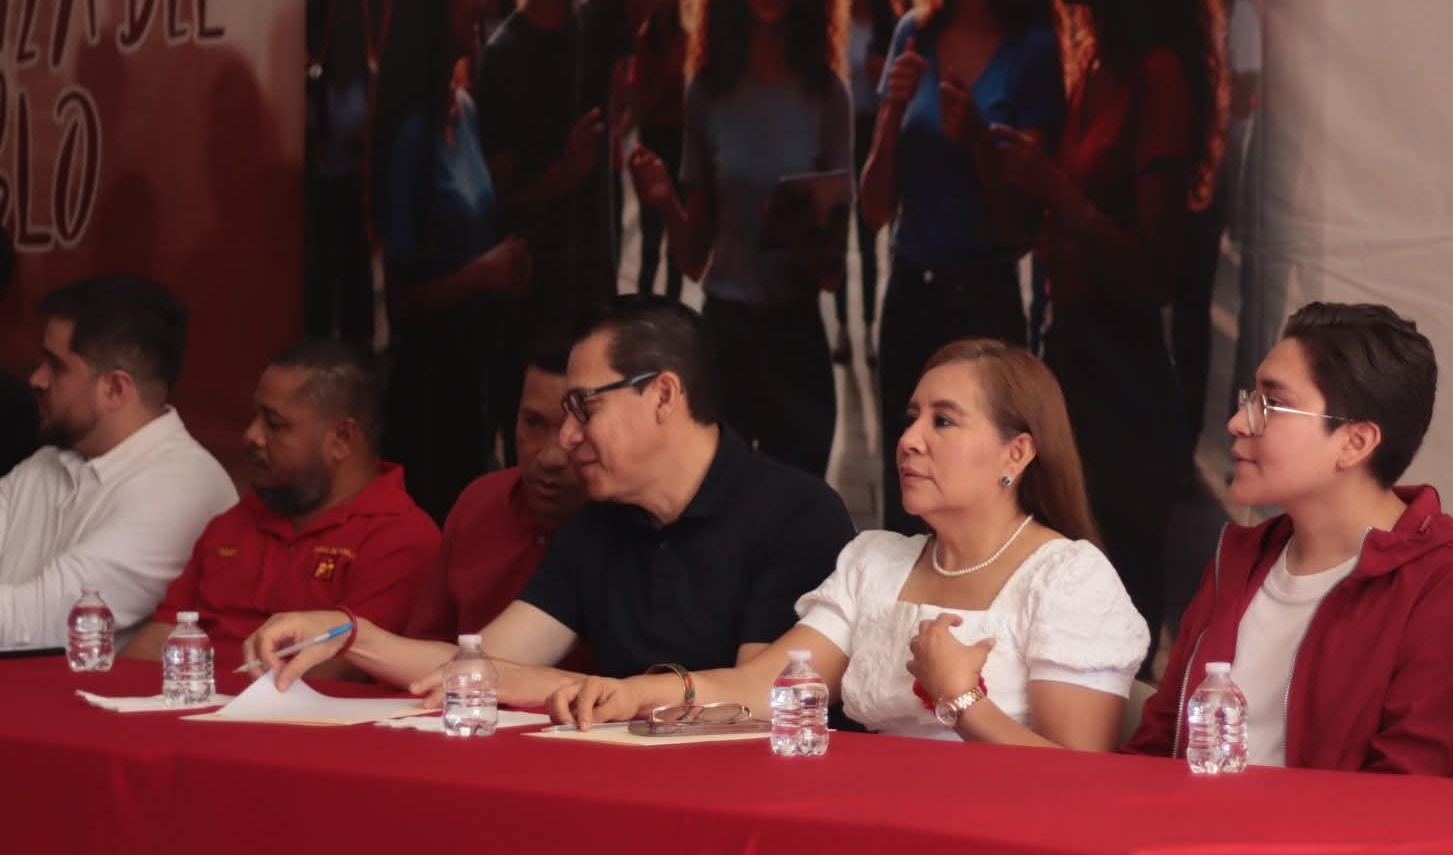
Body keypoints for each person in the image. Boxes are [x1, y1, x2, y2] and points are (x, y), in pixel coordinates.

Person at [244, 297, 855, 706]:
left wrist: (615, 695)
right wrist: (350, 634)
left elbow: (758, 704)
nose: (565, 441)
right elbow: (483, 662)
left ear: (664, 395)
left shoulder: (796, 516)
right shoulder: (601, 524)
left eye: (585, 409)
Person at [545, 339, 1147, 750]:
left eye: (943, 421)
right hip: (874, 829)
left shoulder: (1066, 577)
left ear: (1016, 453)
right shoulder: (876, 563)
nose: (909, 439)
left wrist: (961, 699)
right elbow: (765, 687)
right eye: (911, 417)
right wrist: (632, 694)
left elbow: (1080, 778)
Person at [991, 0, 1226, 642]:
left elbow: (1156, 267)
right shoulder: (1094, 62)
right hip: (1071, 361)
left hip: (1123, 386)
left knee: (1112, 620)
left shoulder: (1158, 73)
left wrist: (1051, 187)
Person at [1125, 304, 1453, 770]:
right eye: (1251, 400)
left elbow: (1407, 796)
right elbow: (1154, 750)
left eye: (1270, 404)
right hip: (1188, 834)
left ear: (1355, 443)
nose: (1239, 422)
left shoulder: (1449, 586)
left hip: (1318, 843)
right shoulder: (1238, 561)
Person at [861, 0, 1067, 533]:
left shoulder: (1034, 48)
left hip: (984, 313)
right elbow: (874, 204)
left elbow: (1021, 229)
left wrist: (978, 141)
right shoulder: (911, 32)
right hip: (909, 302)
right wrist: (889, 116)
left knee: (979, 511)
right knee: (906, 507)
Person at [627, 0, 853, 478]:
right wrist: (664, 203)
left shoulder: (828, 96)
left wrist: (800, 231)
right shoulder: (707, 93)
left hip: (799, 341)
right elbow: (696, 258)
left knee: (797, 536)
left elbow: (833, 271)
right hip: (725, 339)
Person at [474, 0, 717, 319]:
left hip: (597, 314)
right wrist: (561, 176)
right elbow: (495, 208)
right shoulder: (503, 60)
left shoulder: (600, 15)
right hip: (529, 331)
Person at [124, 341, 440, 661]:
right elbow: (162, 635)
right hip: (189, 700)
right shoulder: (234, 521)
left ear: (342, 439)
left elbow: (340, 669)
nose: (251, 435)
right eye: (254, 417)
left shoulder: (402, 538)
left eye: (274, 424)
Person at [372, 0, 532, 524]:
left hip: (478, 380)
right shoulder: (409, 133)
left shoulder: (464, 109)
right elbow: (403, 303)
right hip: (430, 401)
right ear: (436, 4)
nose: (480, 1)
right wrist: (483, 275)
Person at [0, 276, 235, 651]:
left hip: (72, 705)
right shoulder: (46, 463)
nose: (36, 379)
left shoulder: (182, 489)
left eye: (56, 367)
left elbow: (41, 620)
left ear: (115, 388)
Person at [404, 327, 586, 642]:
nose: (550, 456)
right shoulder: (479, 501)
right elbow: (424, 647)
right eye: (533, 423)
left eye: (576, 428)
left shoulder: (631, 522)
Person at [1173, 0, 1261, 442]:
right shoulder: (1180, 7)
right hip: (1176, 167)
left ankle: (1186, 432)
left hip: (1215, 168)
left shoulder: (1240, 12)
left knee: (1193, 306)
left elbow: (1247, 95)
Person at [832, 0, 898, 366]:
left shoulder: (888, 27)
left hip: (873, 131)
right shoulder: (836, 21)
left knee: (870, 235)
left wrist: (882, 76)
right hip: (841, 136)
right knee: (838, 236)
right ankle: (841, 329)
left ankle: (871, 328)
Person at [305, 0, 376, 346]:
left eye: (354, 9)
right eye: (342, 9)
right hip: (327, 195)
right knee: (321, 296)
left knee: (356, 298)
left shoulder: (372, 80)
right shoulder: (318, 81)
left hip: (357, 196)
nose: (348, 18)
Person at [629, 0, 689, 299]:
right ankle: (642, 315)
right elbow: (639, 105)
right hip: (654, 140)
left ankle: (673, 315)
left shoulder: (686, 37)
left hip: (680, 143)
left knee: (676, 248)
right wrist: (666, 79)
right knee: (650, 243)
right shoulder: (645, 40)